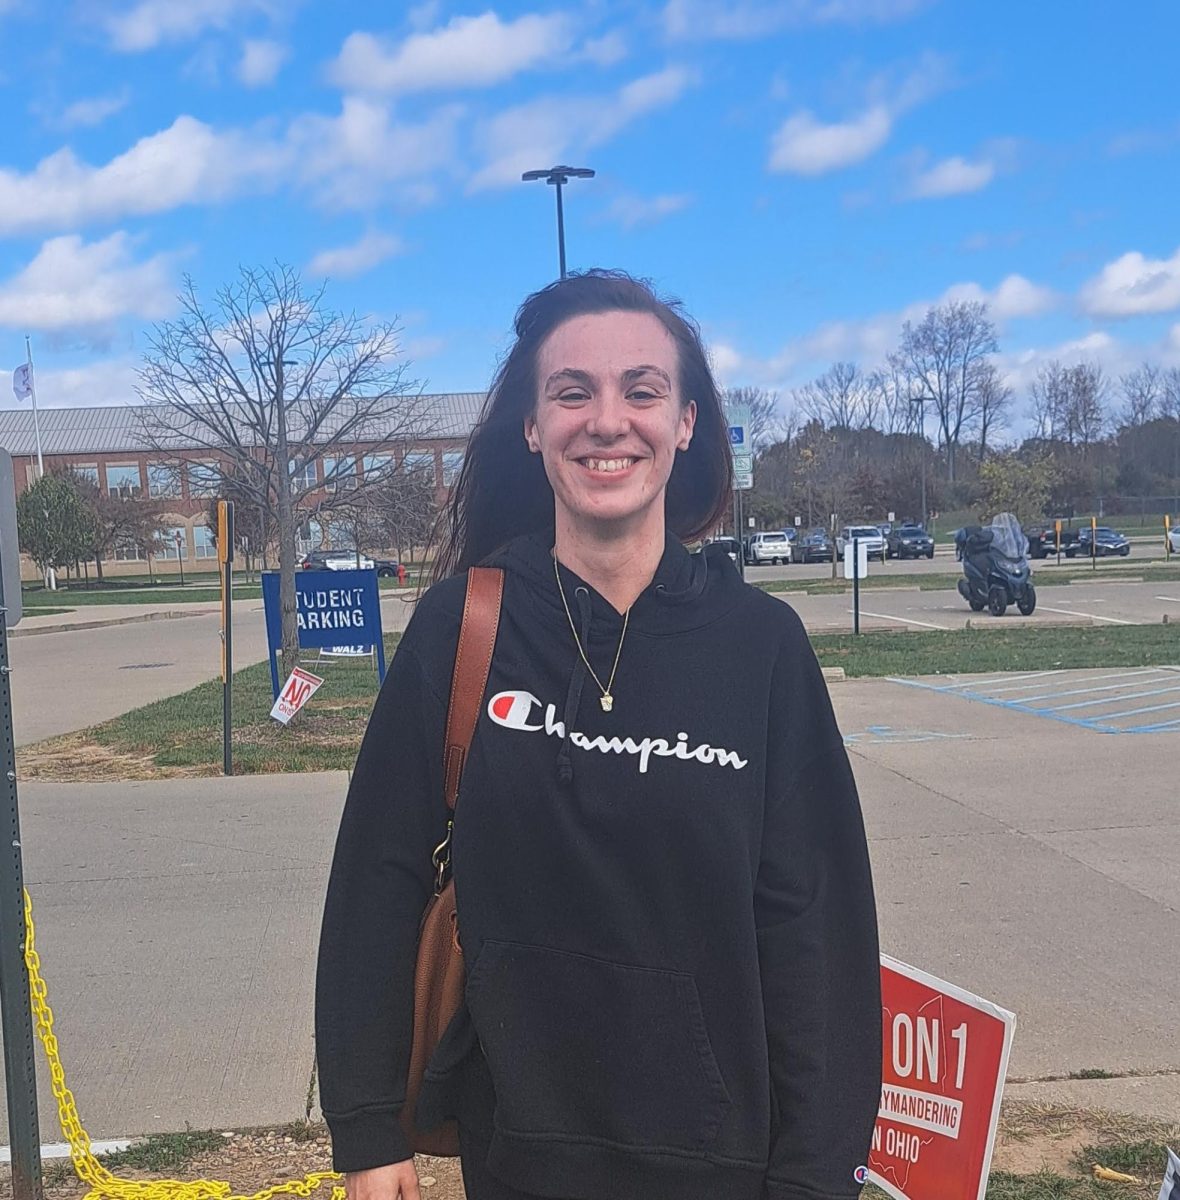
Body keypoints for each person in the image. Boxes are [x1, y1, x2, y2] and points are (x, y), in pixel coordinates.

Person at [315, 270, 881, 1200]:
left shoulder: (761, 649)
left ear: (686, 421)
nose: (606, 420)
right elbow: (376, 880)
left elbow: (817, 936)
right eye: (571, 392)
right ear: (533, 427)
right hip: (520, 1161)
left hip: (728, 1168)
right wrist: (370, 1128)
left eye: (642, 391)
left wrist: (819, 1177)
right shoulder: (462, 630)